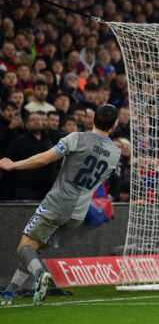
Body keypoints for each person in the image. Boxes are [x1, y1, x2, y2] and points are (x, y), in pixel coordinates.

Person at [0, 104, 120, 306]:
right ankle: (9, 294)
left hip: (57, 203)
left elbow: (43, 159)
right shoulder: (115, 153)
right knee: (34, 251)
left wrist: (13, 165)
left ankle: (40, 275)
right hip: (78, 213)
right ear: (114, 125)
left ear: (92, 120)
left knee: (25, 247)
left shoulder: (76, 138)